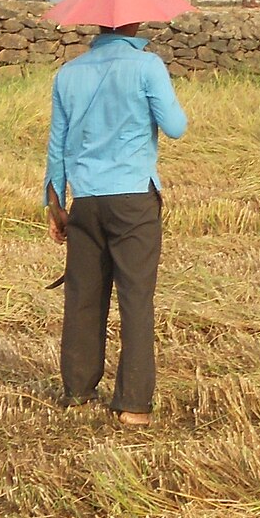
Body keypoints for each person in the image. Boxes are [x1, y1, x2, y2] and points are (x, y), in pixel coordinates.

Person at [44, 21, 188, 426]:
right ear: (135, 23)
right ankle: (133, 405)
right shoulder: (147, 66)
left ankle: (77, 391)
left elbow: (57, 144)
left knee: (83, 295)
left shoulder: (68, 73)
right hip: (133, 199)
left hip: (86, 200)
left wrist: (54, 203)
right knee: (135, 298)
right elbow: (176, 128)